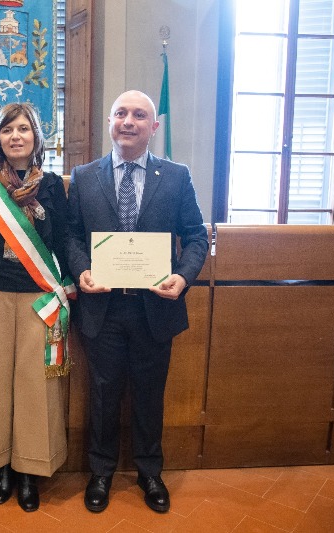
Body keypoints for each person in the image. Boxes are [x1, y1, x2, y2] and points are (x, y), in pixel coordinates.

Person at [66, 90, 208, 513]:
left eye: (139, 115)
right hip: (103, 308)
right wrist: (82, 270)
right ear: (110, 121)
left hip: (155, 307)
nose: (128, 121)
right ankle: (101, 472)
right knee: (103, 394)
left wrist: (183, 276)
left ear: (154, 126)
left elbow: (196, 236)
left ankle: (149, 472)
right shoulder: (84, 176)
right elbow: (70, 236)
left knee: (150, 394)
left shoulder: (177, 176)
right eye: (121, 113)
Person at [0, 103, 73, 512]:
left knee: (35, 385)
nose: (16, 136)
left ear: (36, 136)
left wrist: (72, 280)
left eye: (24, 128)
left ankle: (29, 469)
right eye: (7, 130)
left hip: (39, 297)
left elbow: (64, 239)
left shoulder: (53, 186)